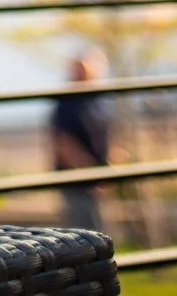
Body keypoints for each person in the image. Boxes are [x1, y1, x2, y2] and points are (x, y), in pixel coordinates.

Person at [49, 53, 112, 233]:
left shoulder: (97, 100)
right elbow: (63, 142)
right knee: (81, 231)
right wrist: (89, 174)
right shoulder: (67, 103)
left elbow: (109, 135)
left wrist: (107, 174)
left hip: (96, 181)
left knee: (97, 229)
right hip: (77, 182)